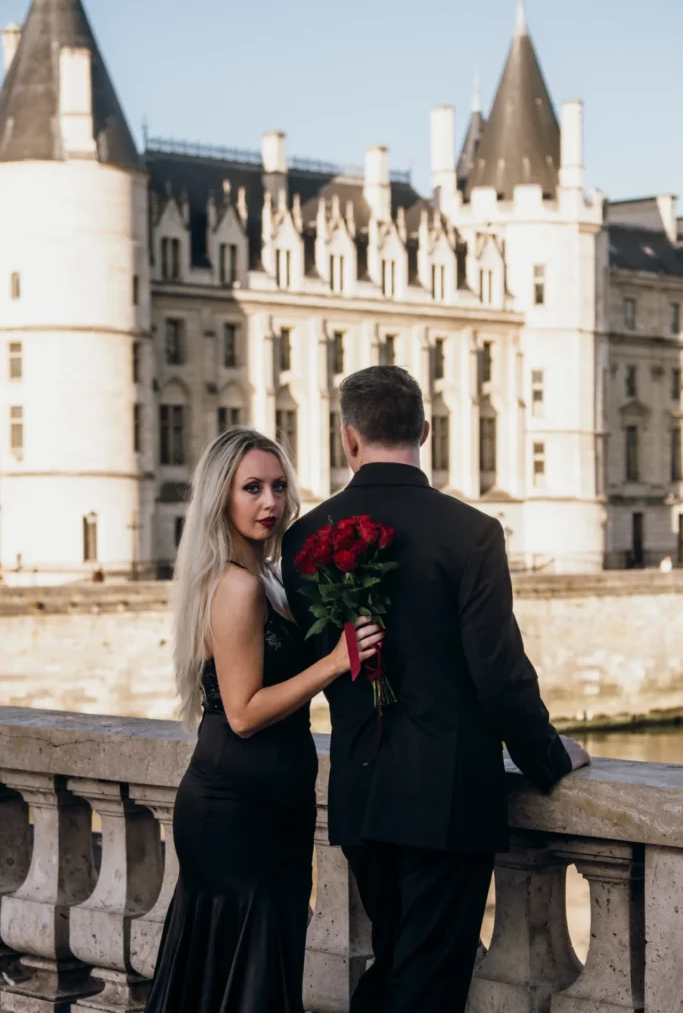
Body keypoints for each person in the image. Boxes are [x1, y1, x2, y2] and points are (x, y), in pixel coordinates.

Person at [281, 366, 591, 1013]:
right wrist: (550, 758)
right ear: (425, 430)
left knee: (398, 964)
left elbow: (312, 661)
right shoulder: (470, 532)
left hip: (360, 796)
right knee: (425, 979)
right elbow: (499, 673)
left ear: (348, 439)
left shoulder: (306, 536)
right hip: (447, 800)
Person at [146, 427, 382, 1013]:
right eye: (251, 488)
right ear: (221, 497)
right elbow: (245, 712)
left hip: (272, 804)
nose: (270, 503)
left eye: (278, 486)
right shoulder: (239, 586)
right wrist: (333, 662)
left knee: (249, 971)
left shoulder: (269, 578)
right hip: (235, 808)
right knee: (243, 976)